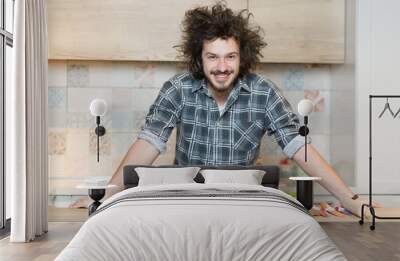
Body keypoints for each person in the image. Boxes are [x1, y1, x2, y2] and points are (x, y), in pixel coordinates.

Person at [71, 3, 379, 216]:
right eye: (212, 57)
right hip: (186, 200)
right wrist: (105, 198)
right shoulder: (178, 88)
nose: (221, 67)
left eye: (230, 57)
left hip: (242, 200)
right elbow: (149, 143)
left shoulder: (264, 91)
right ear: (199, 58)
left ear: (242, 57)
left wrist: (353, 202)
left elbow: (300, 148)